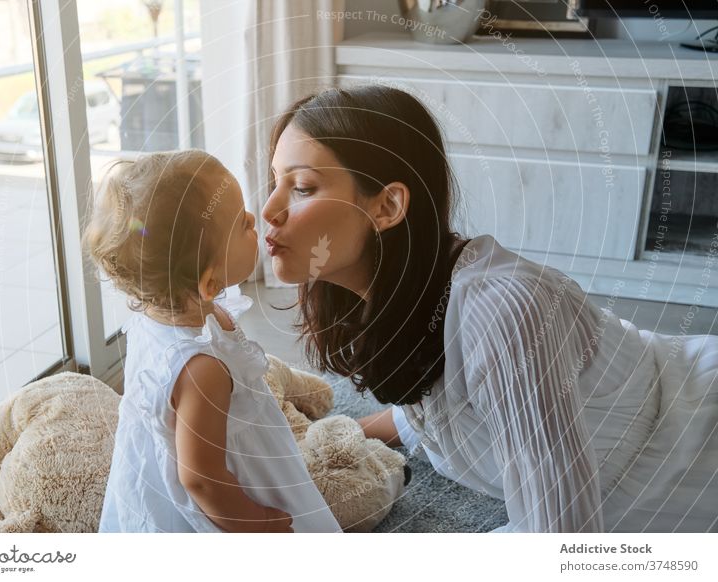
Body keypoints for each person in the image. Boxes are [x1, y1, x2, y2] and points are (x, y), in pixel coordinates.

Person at [261, 84, 718, 532]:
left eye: (302, 187)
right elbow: (439, 407)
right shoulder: (400, 302)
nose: (268, 209)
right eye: (274, 182)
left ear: (387, 206)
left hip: (696, 444)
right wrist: (319, 443)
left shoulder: (503, 313)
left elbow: (560, 536)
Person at [85, 150, 341, 533]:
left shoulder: (163, 315)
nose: (255, 218)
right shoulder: (202, 370)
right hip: (225, 495)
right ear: (209, 283)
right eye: (241, 224)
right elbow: (200, 478)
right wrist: (254, 522)